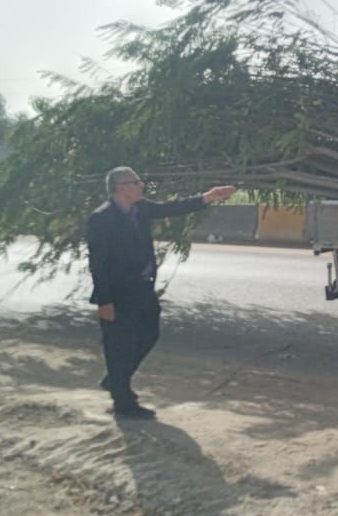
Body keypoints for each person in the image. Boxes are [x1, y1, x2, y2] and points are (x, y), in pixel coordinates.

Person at [87, 166, 236, 419]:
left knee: (149, 334)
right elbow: (98, 263)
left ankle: (116, 379)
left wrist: (208, 197)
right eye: (136, 182)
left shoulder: (141, 208)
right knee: (119, 345)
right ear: (121, 187)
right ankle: (123, 404)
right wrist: (105, 301)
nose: (141, 185)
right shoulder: (102, 218)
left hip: (143, 287)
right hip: (118, 292)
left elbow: (172, 207)